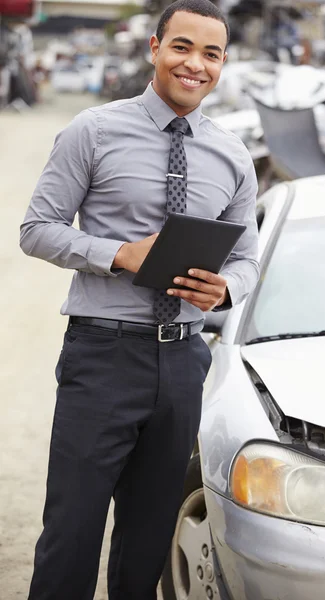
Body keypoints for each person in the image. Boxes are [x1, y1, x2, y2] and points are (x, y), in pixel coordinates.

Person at [19, 1, 259, 598]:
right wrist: (119, 254)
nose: (195, 65)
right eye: (182, 47)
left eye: (211, 54)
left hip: (183, 362)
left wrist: (228, 286)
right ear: (155, 48)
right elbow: (37, 229)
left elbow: (248, 259)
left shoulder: (232, 156)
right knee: (71, 533)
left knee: (149, 538)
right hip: (102, 355)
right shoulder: (93, 131)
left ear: (223, 63)